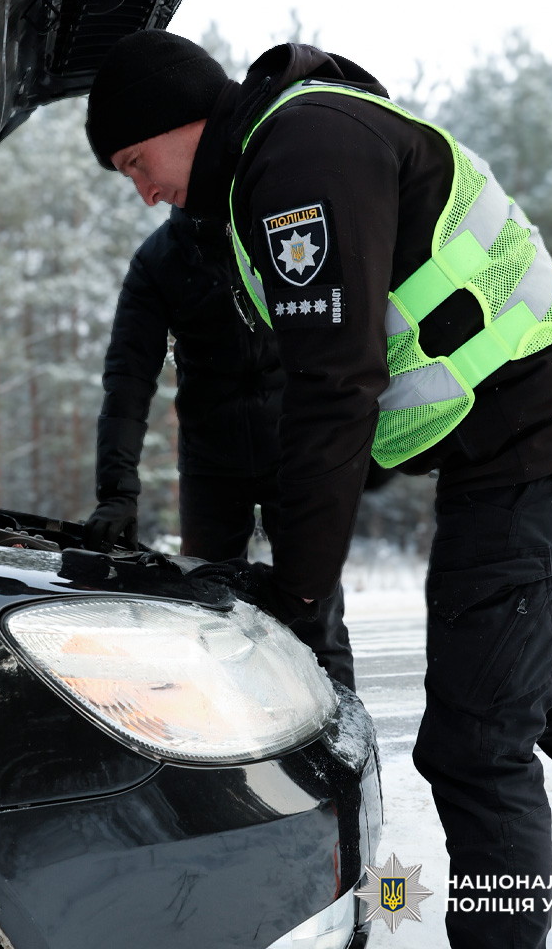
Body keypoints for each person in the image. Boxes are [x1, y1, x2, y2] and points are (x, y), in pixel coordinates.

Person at [83, 29, 552, 949]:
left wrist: (300, 583)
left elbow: (332, 386)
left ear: (179, 120)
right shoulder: (285, 154)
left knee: (474, 748)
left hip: (533, 453)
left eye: (136, 162)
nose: (142, 190)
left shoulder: (296, 159)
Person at [81, 202, 357, 689]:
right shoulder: (157, 260)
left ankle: (344, 749)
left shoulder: (281, 230)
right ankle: (225, 756)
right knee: (205, 622)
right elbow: (127, 380)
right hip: (211, 466)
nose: (143, 191)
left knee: (318, 623)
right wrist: (117, 491)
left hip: (295, 455)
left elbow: (348, 334)